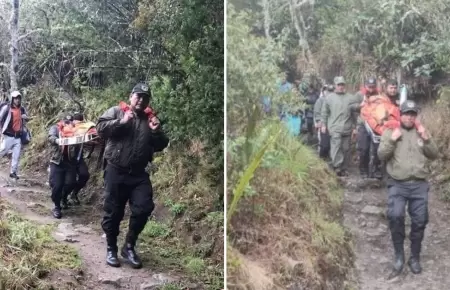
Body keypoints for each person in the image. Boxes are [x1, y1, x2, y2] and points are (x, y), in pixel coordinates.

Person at [96, 83, 169, 269]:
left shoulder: (150, 119)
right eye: (138, 96)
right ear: (131, 96)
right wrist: (121, 122)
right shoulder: (116, 111)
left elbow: (161, 144)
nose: (141, 100)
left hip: (138, 174)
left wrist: (156, 131)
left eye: (145, 97)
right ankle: (111, 248)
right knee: (113, 212)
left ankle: (129, 246)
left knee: (144, 207)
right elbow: (101, 129)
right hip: (115, 170)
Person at [378, 100, 438, 278]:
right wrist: (392, 139)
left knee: (420, 221)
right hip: (398, 184)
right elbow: (382, 154)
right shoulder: (390, 131)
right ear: (400, 114)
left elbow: (434, 154)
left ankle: (415, 257)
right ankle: (398, 256)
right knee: (395, 216)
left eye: (412, 114)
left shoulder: (422, 132)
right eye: (406, 114)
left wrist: (426, 139)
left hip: (419, 185)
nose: (409, 117)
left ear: (415, 116)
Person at [321, 77, 355, 176]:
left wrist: (355, 127)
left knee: (346, 148)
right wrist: (323, 124)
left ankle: (344, 167)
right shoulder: (329, 98)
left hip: (347, 127)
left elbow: (354, 113)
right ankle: (337, 166)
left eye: (342, 85)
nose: (341, 87)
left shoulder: (350, 97)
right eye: (339, 85)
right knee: (336, 147)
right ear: (335, 85)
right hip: (334, 127)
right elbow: (324, 112)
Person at [48, 114, 79, 218]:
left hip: (70, 162)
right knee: (56, 186)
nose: (67, 123)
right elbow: (51, 137)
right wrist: (57, 140)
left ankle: (64, 197)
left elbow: (81, 140)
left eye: (69, 122)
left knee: (71, 183)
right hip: (57, 161)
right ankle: (57, 206)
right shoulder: (55, 128)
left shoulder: (75, 131)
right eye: (66, 121)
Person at [63, 112, 91, 206]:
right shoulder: (69, 130)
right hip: (69, 159)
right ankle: (63, 197)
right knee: (70, 181)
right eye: (77, 123)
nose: (78, 125)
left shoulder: (84, 130)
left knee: (85, 175)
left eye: (81, 123)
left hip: (79, 158)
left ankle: (74, 193)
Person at [0, 90, 29, 180]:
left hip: (18, 136)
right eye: (16, 98)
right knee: (2, 151)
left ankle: (13, 172)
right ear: (12, 99)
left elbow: (26, 118)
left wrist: (25, 118)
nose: (17, 100)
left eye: (19, 98)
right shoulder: (7, 108)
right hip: (8, 135)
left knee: (16, 155)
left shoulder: (22, 109)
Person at [354, 78, 380, 178]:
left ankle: (375, 170)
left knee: (377, 149)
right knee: (363, 149)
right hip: (363, 124)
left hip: (376, 125)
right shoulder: (359, 95)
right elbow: (351, 106)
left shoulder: (379, 95)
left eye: (373, 87)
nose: (371, 89)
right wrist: (360, 106)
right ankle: (363, 170)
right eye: (369, 87)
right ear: (365, 86)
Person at [314, 85, 333, 159]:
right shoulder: (320, 100)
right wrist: (318, 121)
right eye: (327, 91)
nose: (328, 92)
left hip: (332, 125)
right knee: (323, 143)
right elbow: (317, 112)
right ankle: (321, 158)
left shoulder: (334, 100)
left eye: (331, 91)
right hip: (323, 124)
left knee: (331, 144)